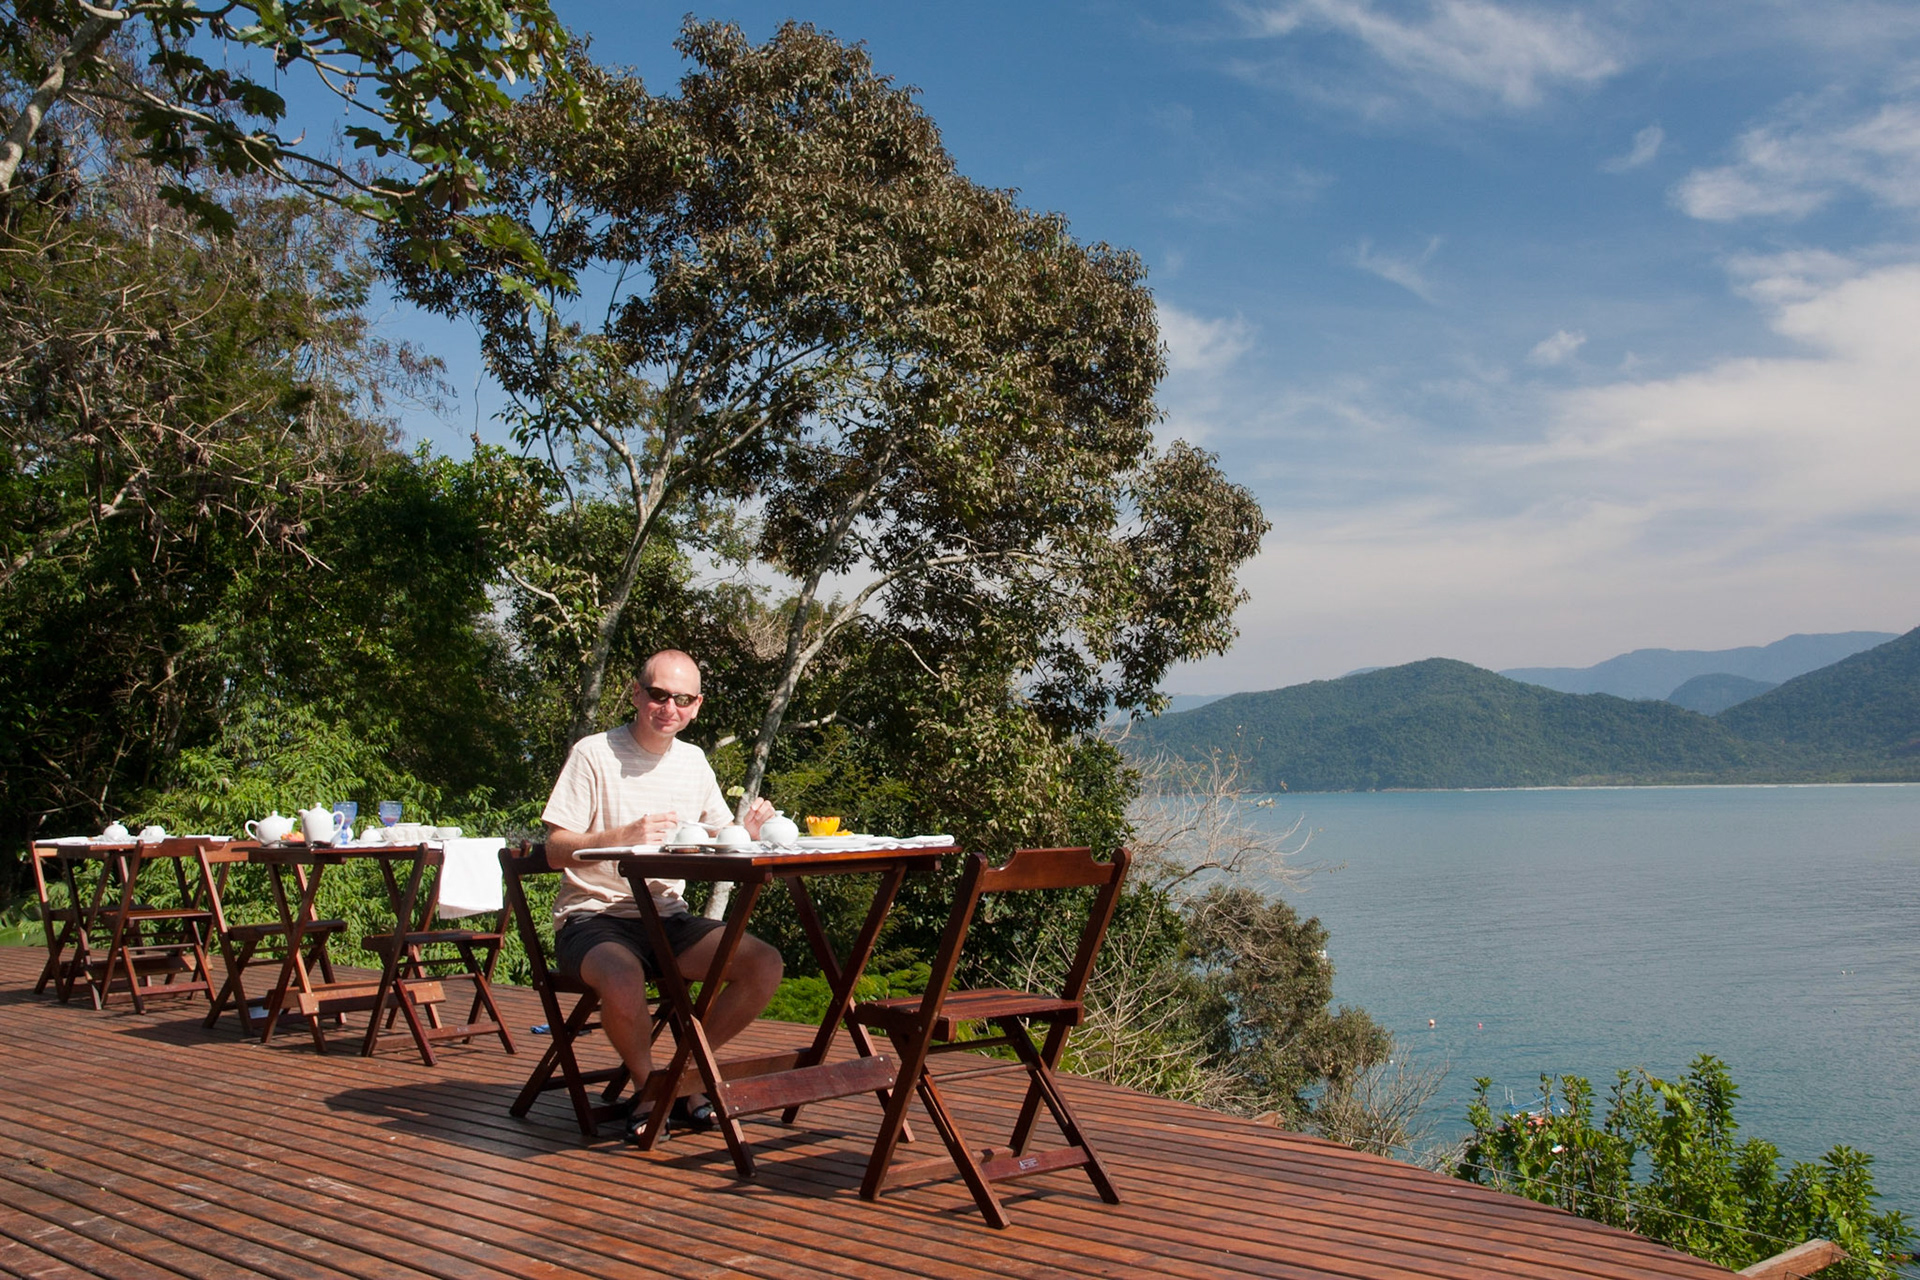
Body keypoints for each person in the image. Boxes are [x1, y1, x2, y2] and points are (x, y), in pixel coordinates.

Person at [541, 649, 782, 1138]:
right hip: (594, 917)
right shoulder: (593, 753)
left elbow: (719, 838)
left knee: (764, 964)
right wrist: (620, 835)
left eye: (682, 698)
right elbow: (554, 849)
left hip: (668, 917)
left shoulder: (693, 762)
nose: (669, 707)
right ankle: (652, 1083)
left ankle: (677, 1082)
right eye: (658, 695)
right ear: (636, 694)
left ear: (697, 706)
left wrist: (749, 834)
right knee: (624, 977)